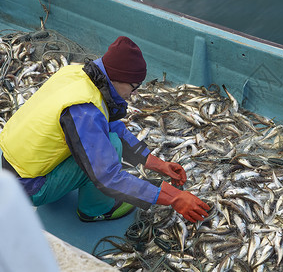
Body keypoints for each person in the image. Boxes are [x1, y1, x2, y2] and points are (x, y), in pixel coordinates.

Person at [0, 36, 210, 223]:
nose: (134, 94)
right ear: (117, 79)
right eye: (134, 87)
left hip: (9, 162)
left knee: (110, 138)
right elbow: (108, 177)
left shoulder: (76, 74)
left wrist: (159, 165)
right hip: (26, 187)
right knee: (111, 146)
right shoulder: (84, 111)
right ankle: (95, 210)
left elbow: (113, 126)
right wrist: (173, 198)